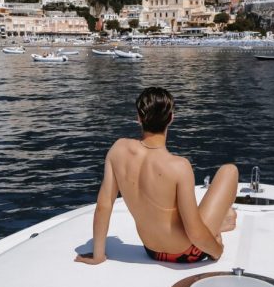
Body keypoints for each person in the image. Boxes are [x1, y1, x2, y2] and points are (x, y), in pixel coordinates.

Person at [75, 87, 238, 265]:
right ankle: (220, 223)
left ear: (139, 118)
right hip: (189, 252)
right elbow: (194, 232)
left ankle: (222, 222)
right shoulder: (179, 166)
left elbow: (103, 206)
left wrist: (98, 256)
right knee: (229, 171)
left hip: (152, 251)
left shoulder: (117, 150)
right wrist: (217, 250)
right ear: (171, 118)